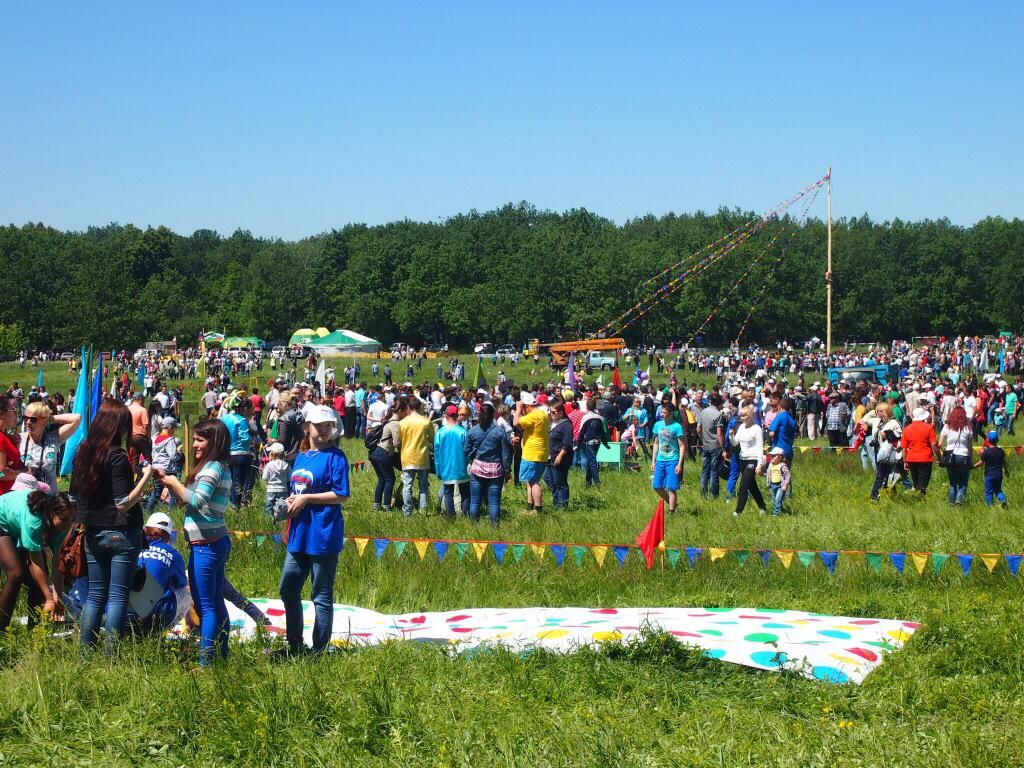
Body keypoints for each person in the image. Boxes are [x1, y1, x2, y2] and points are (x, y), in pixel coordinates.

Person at [71, 399, 152, 652]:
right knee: (117, 595)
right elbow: (122, 503)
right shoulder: (117, 456)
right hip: (121, 531)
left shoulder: (83, 452)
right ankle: (111, 656)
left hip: (92, 531)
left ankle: (86, 653)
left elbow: (73, 498)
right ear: (119, 426)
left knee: (95, 595)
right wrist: (146, 477)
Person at [156, 419, 233, 665]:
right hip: (212, 542)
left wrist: (174, 483)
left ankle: (205, 663)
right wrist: (172, 485)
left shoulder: (211, 468)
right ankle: (221, 654)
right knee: (216, 602)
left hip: (207, 547)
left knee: (205, 605)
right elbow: (199, 502)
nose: (194, 444)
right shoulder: (218, 466)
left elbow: (198, 501)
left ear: (214, 441)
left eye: (200, 440)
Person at [279, 405, 350, 655]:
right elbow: (298, 489)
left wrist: (307, 499)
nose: (323, 430)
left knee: (320, 594)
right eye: (318, 425)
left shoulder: (336, 457)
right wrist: (292, 500)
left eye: (327, 425)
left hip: (324, 533)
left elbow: (341, 494)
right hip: (299, 533)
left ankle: (318, 650)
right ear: (307, 427)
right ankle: (294, 643)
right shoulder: (301, 456)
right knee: (288, 588)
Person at [0, 487, 76, 630]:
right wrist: (48, 597)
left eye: (71, 520)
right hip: (2, 521)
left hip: (18, 526)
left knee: (39, 581)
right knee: (16, 573)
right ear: (52, 513)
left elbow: (58, 564)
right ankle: (1, 630)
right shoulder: (34, 521)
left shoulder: (63, 526)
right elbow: (36, 563)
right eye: (64, 520)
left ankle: (35, 629)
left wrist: (57, 598)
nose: (68, 525)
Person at [19, 401, 82, 494]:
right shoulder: (18, 439)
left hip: (50, 499)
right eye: (25, 418)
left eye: (33, 419)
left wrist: (51, 418)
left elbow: (77, 418)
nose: (28, 422)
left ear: (44, 420)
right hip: (25, 498)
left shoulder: (53, 438)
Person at [466, 402, 512, 525]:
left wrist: (473, 458)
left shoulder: (472, 431)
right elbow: (506, 454)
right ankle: (494, 526)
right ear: (493, 415)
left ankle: (473, 525)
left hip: (477, 468)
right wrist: (507, 470)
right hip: (495, 470)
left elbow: (467, 450)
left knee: (475, 500)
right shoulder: (499, 432)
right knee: (494, 501)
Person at [513, 392, 549, 515]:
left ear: (527, 406)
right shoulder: (542, 414)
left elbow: (516, 423)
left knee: (533, 482)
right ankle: (530, 507)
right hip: (540, 452)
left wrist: (518, 409)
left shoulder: (533, 415)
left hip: (532, 453)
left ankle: (538, 509)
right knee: (530, 480)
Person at [399, 398, 434, 516]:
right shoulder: (426, 421)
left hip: (407, 457)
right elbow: (432, 439)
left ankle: (407, 511)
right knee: (423, 486)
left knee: (407, 486)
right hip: (422, 457)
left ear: (408, 408)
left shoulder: (402, 422)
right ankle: (423, 510)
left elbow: (398, 441)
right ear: (419, 408)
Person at [651, 396, 685, 514]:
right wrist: (653, 461)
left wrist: (679, 464)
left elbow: (682, 446)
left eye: (664, 412)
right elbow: (655, 443)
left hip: (673, 460)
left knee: (671, 487)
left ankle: (672, 511)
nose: (662, 414)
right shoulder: (657, 425)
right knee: (656, 485)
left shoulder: (677, 427)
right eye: (661, 412)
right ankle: (672, 503)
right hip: (660, 460)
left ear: (671, 413)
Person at [730, 405, 768, 515]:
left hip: (753, 460)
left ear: (750, 416)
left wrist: (759, 465)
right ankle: (763, 508)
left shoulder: (757, 429)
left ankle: (738, 512)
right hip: (743, 459)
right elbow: (735, 442)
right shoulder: (741, 427)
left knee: (743, 486)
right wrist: (731, 436)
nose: (741, 418)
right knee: (752, 486)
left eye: (744, 416)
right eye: (740, 416)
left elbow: (760, 447)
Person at [434, 405, 470, 517]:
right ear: (457, 415)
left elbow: (437, 453)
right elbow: (467, 451)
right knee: (465, 493)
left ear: (446, 415)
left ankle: (451, 516)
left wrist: (438, 470)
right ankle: (465, 515)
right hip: (461, 466)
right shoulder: (463, 431)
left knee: (448, 493)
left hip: (446, 467)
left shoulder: (440, 432)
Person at [220, 395, 254, 509]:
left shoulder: (223, 419)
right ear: (242, 408)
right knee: (238, 482)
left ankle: (228, 503)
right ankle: (236, 506)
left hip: (227, 453)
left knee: (229, 480)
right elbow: (245, 438)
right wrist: (251, 441)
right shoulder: (241, 420)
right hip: (241, 454)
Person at [144, 417, 182, 513]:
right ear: (169, 427)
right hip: (168, 470)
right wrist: (179, 453)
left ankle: (148, 512)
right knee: (173, 493)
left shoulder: (156, 439)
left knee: (156, 494)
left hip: (157, 469)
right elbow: (173, 456)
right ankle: (171, 513)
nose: (174, 430)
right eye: (174, 428)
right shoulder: (170, 440)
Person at [902, 407, 939, 495]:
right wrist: (939, 457)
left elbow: (904, 448)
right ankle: (920, 498)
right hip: (925, 458)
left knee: (916, 481)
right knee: (923, 483)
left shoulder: (907, 429)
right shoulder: (928, 428)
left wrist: (904, 461)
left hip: (911, 458)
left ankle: (917, 498)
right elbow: (934, 444)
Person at [938, 405, 972, 505]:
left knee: (953, 483)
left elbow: (939, 444)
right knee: (963, 482)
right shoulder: (967, 428)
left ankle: (952, 504)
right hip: (963, 455)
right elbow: (970, 447)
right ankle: (959, 499)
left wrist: (944, 452)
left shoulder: (947, 426)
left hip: (950, 455)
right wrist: (971, 460)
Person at [544, 402, 574, 509]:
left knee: (560, 482)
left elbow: (567, 443)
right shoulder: (553, 423)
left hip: (559, 457)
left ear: (560, 413)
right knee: (548, 478)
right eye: (549, 411)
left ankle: (563, 506)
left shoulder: (566, 424)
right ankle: (556, 500)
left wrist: (560, 455)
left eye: (553, 412)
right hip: (550, 457)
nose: (550, 414)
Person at [576, 397, 610, 487]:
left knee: (592, 462)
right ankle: (588, 482)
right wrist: (605, 443)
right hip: (598, 442)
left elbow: (581, 431)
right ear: (595, 406)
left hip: (588, 442)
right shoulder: (600, 418)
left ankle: (597, 482)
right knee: (591, 461)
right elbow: (603, 432)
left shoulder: (585, 417)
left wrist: (577, 444)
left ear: (587, 407)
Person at [698, 393, 725, 498]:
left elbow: (698, 428)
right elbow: (719, 434)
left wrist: (702, 440)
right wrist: (723, 448)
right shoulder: (718, 414)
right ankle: (714, 496)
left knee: (704, 471)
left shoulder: (703, 411)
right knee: (714, 472)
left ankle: (703, 494)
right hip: (715, 446)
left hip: (706, 445)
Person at [974, 431, 1009, 507]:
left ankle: (990, 506)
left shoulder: (986, 452)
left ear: (988, 441)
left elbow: (981, 463)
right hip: (998, 474)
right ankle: (1003, 500)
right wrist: (1006, 470)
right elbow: (1004, 462)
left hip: (989, 475)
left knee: (989, 492)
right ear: (997, 440)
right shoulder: (1001, 451)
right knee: (998, 490)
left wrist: (973, 466)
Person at [0, 394, 26, 495]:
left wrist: (15, 446)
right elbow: (0, 473)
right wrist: (21, 474)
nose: (18, 414)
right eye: (15, 409)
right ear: (2, 413)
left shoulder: (5, 436)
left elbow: (11, 463)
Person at [759, 447, 791, 516]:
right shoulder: (771, 465)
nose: (771, 457)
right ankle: (781, 511)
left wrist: (785, 485)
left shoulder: (782, 466)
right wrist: (762, 474)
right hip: (772, 486)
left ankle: (776, 513)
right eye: (771, 456)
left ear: (780, 457)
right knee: (774, 500)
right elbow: (768, 475)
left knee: (777, 499)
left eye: (773, 456)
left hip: (780, 485)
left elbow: (788, 475)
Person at [261, 442, 290, 518]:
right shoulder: (286, 465)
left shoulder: (269, 465)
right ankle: (280, 520)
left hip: (271, 489)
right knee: (281, 506)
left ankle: (269, 521)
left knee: (269, 506)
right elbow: (289, 478)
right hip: (283, 489)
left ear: (272, 453)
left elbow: (264, 478)